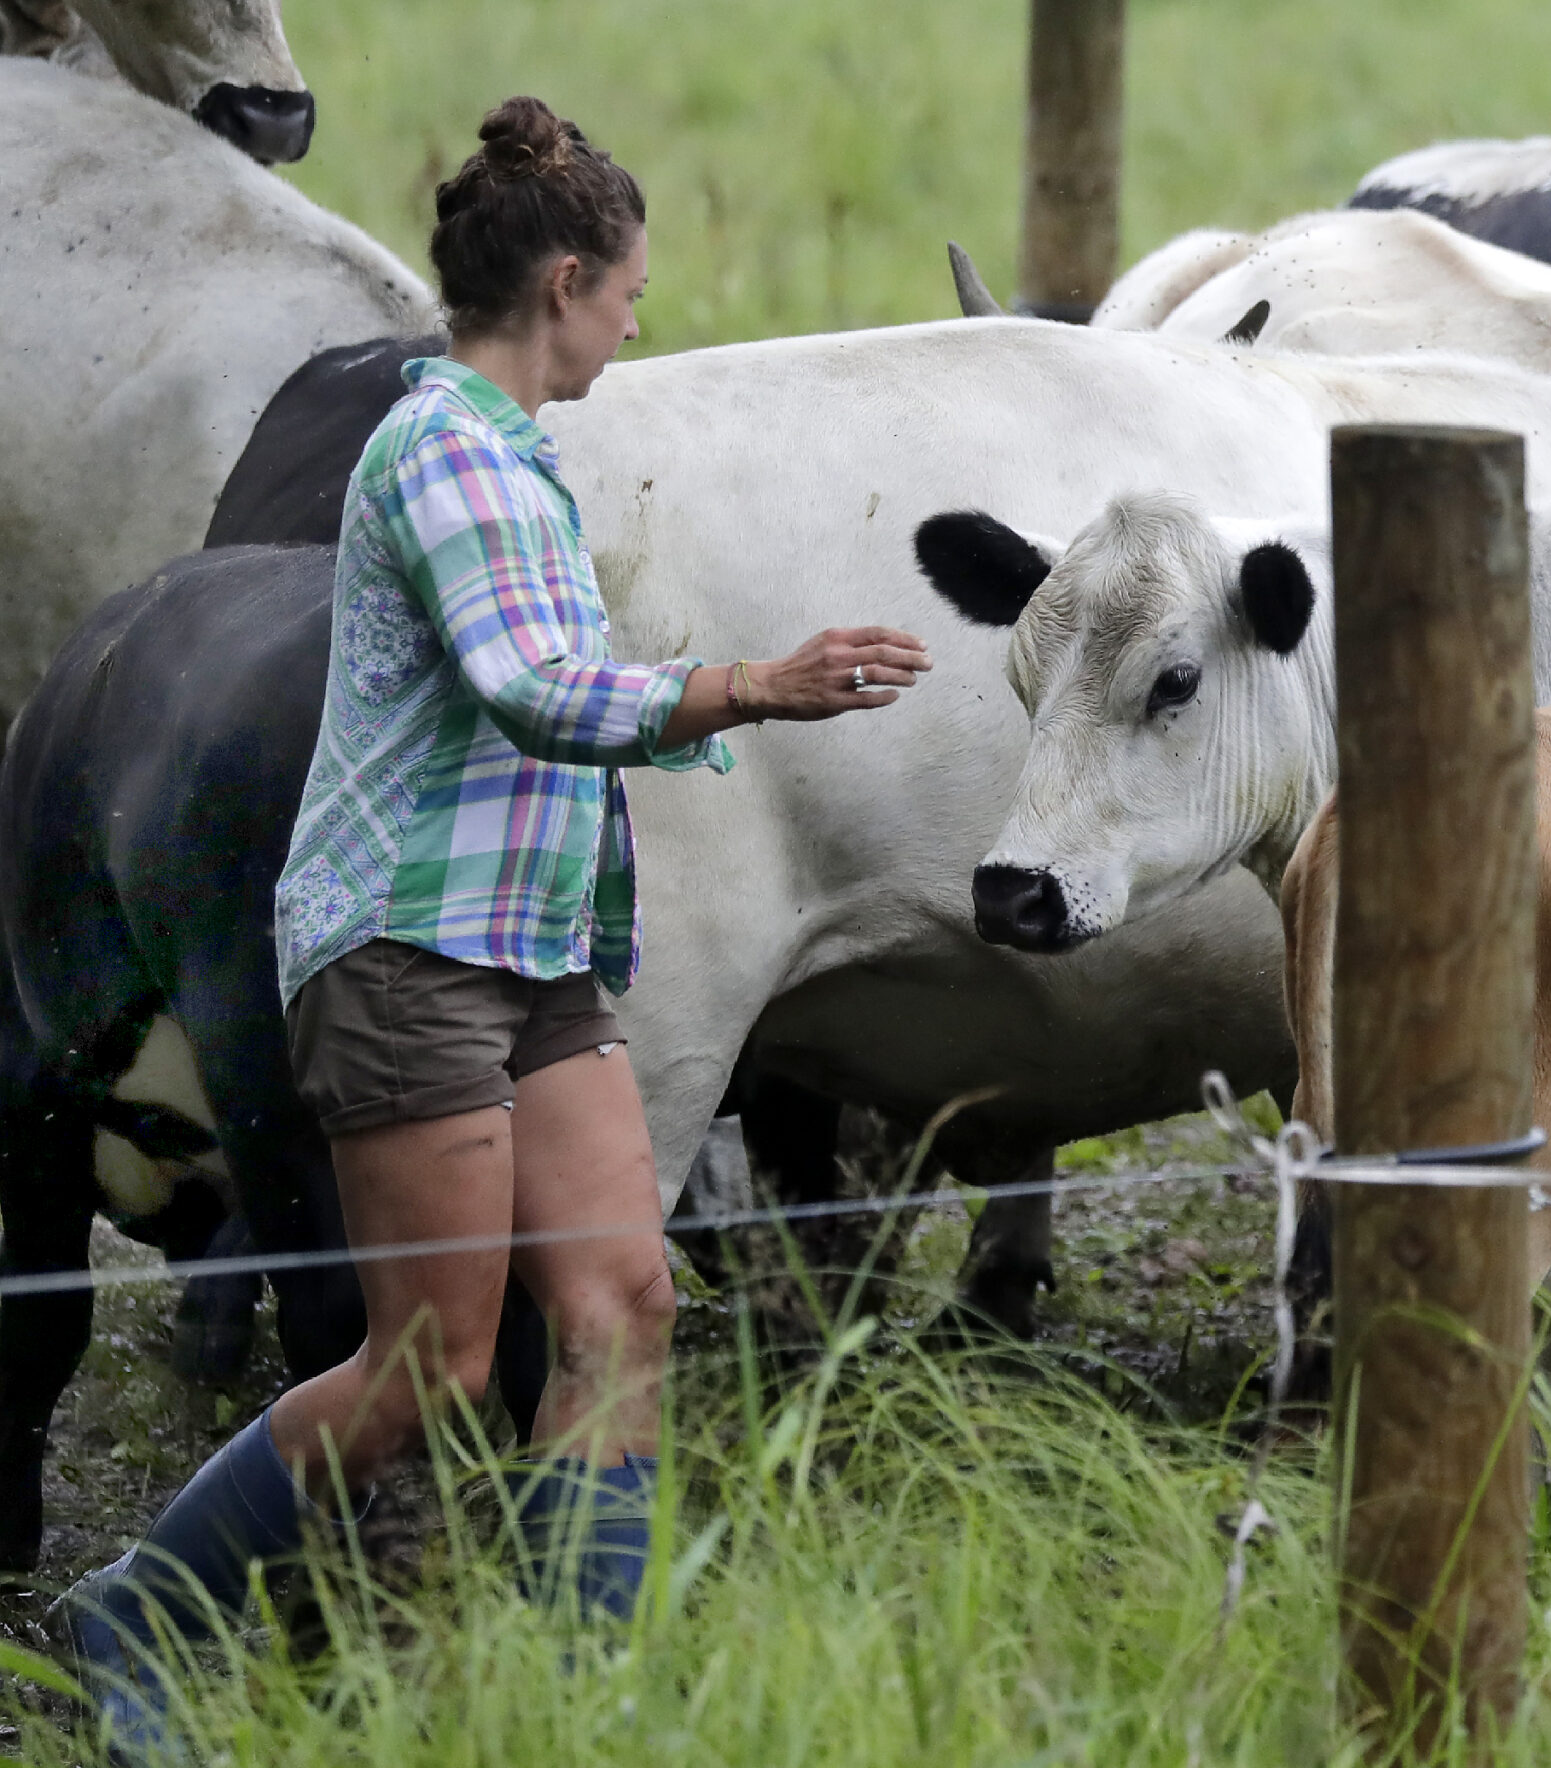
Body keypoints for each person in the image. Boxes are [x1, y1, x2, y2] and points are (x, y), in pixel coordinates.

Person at [59, 94, 932, 1751]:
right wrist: (757, 681)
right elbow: (532, 688)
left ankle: (578, 1692)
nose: (637, 317)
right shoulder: (446, 447)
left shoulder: (517, 453)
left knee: (627, 1305)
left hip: (532, 949)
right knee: (430, 1369)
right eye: (627, 292)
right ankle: (143, 1612)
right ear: (562, 282)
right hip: (409, 955)